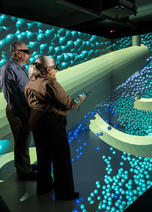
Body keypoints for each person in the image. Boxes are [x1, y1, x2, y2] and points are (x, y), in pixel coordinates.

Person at [24, 56, 87, 200]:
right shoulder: (50, 83)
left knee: (43, 156)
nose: (57, 70)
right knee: (61, 159)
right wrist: (81, 98)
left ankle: (44, 187)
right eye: (55, 67)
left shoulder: (29, 84)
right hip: (51, 123)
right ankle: (65, 193)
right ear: (48, 70)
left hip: (35, 121)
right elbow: (68, 104)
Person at [0, 41, 36, 180]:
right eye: (26, 51)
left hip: (25, 109)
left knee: (25, 139)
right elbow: (11, 96)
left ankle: (25, 166)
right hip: (17, 110)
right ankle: (24, 172)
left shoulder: (21, 68)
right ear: (17, 53)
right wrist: (22, 116)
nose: (29, 54)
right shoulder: (8, 68)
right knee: (21, 140)